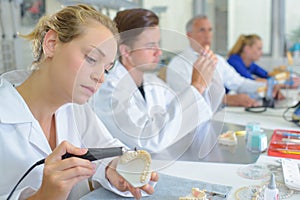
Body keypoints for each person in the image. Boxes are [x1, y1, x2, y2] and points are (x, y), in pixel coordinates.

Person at [0, 4, 158, 200]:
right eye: (92, 58)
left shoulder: (75, 108)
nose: (100, 77)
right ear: (51, 43)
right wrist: (43, 196)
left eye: (107, 69)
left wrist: (114, 169)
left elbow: (106, 149)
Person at [91, 8, 222, 154]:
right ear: (126, 51)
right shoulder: (108, 91)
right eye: (150, 45)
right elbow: (148, 140)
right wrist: (197, 86)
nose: (158, 52)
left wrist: (208, 76)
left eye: (158, 44)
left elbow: (196, 114)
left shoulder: (153, 82)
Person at [167, 15, 284, 107]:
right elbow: (187, 100)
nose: (207, 35)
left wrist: (268, 86)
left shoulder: (218, 60)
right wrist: (226, 99)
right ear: (189, 35)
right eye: (202, 30)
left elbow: (239, 83)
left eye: (210, 30)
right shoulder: (178, 65)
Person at [228, 34, 300, 88]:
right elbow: (251, 81)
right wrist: (284, 85)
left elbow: (267, 75)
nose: (261, 53)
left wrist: (287, 78)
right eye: (259, 49)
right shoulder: (234, 61)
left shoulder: (250, 64)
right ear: (247, 49)